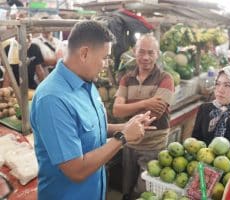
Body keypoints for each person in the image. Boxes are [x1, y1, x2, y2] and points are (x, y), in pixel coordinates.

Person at [30, 21, 155, 200]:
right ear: (84, 53)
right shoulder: (52, 99)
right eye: (104, 57)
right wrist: (123, 137)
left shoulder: (86, 84)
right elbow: (76, 170)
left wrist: (125, 126)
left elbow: (91, 128)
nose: (105, 64)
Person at [113, 34, 174, 199]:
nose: (145, 57)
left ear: (157, 54)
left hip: (153, 145)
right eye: (141, 52)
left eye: (150, 53)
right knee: (127, 187)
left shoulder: (165, 79)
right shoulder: (126, 79)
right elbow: (117, 110)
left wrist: (129, 108)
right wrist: (145, 103)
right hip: (130, 142)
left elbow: (152, 116)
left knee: (144, 190)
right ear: (134, 52)